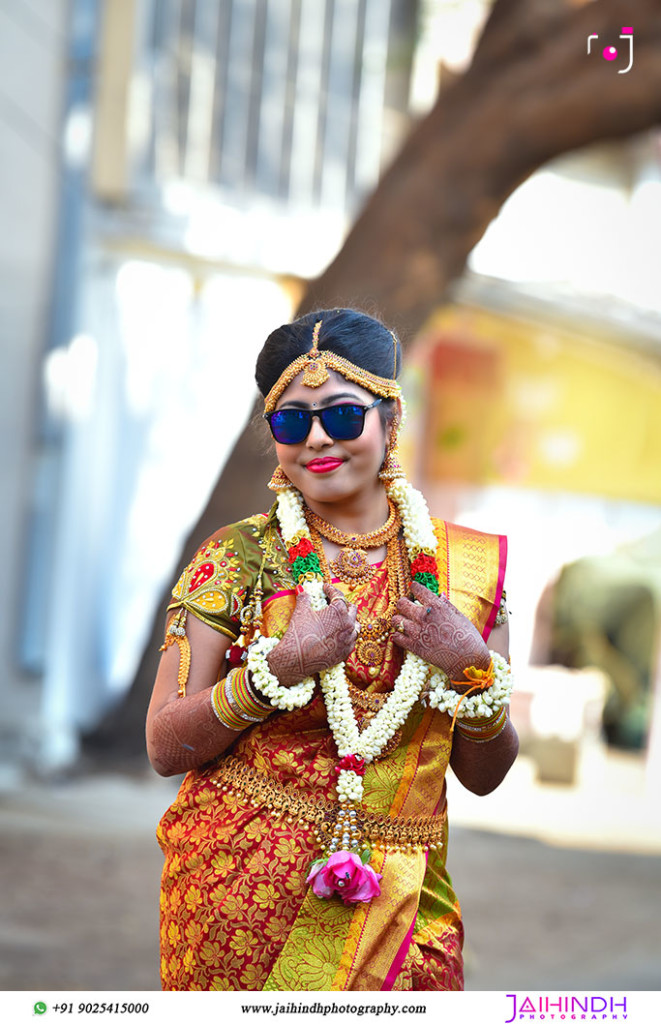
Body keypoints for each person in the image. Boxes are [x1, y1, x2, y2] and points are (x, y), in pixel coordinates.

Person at [147, 308, 517, 992]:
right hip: (234, 899)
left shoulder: (466, 571)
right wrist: (278, 670)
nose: (317, 438)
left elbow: (483, 775)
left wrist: (469, 667)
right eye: (290, 421)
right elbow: (166, 749)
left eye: (342, 416)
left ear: (390, 419)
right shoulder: (239, 556)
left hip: (401, 905)